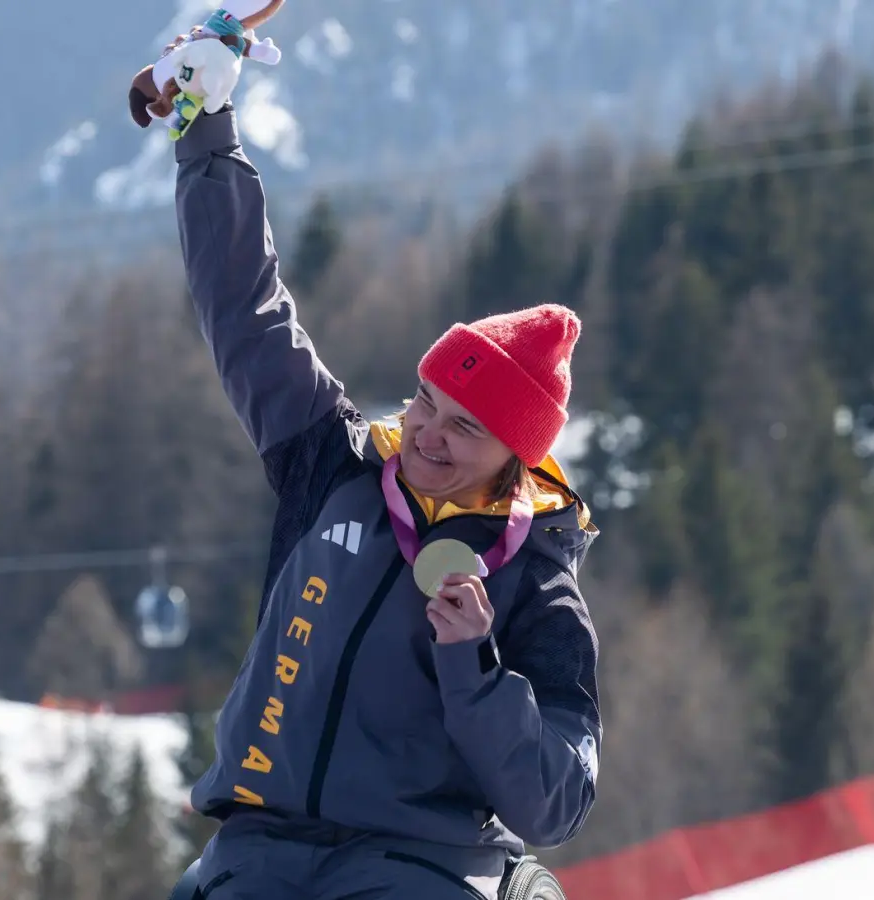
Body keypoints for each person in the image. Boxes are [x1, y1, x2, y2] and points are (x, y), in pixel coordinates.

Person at [173, 93, 602, 900]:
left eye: (464, 428)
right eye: (425, 402)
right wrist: (207, 135)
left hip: (420, 865)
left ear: (517, 460)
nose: (427, 435)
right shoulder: (333, 464)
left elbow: (557, 801)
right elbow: (246, 313)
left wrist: (474, 667)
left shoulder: (536, 580)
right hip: (260, 845)